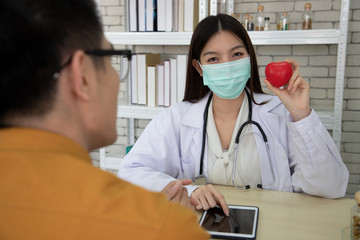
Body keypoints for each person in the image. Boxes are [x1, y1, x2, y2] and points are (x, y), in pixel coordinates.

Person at [0, 0, 209, 239]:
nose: (116, 78)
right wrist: (161, 220)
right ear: (83, 76)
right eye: (112, 58)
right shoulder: (165, 226)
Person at [118, 14, 349, 215]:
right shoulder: (177, 118)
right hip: (200, 226)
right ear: (199, 68)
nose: (227, 65)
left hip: (272, 226)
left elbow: (331, 187)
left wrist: (301, 114)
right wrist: (191, 190)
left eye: (237, 54)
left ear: (249, 58)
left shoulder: (279, 112)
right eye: (213, 59)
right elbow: (130, 172)